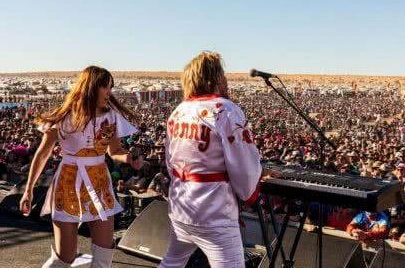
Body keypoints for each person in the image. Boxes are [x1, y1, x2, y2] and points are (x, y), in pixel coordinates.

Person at [19, 66, 143, 268]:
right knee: (64, 258)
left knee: (104, 254)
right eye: (105, 87)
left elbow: (115, 151)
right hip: (68, 185)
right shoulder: (63, 117)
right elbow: (42, 155)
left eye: (111, 87)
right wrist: (28, 190)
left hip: (100, 186)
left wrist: (129, 158)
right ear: (91, 87)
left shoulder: (111, 116)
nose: (109, 92)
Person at [159, 52, 264, 268]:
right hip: (214, 212)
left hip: (181, 204)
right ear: (215, 78)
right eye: (223, 74)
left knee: (173, 262)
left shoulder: (178, 112)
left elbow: (171, 161)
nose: (226, 80)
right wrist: (257, 176)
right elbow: (242, 162)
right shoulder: (225, 109)